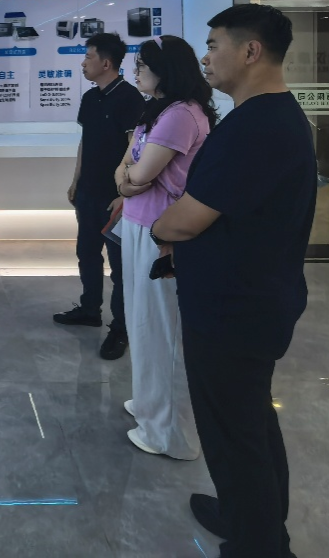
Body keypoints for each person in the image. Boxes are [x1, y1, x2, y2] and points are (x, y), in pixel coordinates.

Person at [149, 5, 316, 558]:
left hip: (233, 310)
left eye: (214, 44)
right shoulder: (268, 118)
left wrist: (160, 227)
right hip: (249, 299)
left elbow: (187, 219)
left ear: (250, 51)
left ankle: (259, 544)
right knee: (249, 422)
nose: (206, 57)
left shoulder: (258, 127)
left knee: (235, 433)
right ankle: (248, 516)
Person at [114, 35, 216, 460]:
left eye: (142, 65)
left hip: (162, 233)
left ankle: (167, 432)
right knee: (141, 321)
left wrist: (128, 180)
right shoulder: (156, 110)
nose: (135, 71)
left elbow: (139, 174)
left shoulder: (180, 115)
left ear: (166, 70)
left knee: (160, 330)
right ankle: (148, 404)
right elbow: (126, 169)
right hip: (140, 224)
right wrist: (128, 182)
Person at [53, 31, 144, 360]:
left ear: (106, 63)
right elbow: (86, 142)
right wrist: (75, 180)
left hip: (115, 199)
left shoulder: (130, 98)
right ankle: (90, 309)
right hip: (88, 193)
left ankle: (120, 329)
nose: (83, 63)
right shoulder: (90, 98)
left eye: (88, 57)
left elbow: (136, 149)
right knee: (87, 253)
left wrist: (125, 194)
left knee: (120, 268)